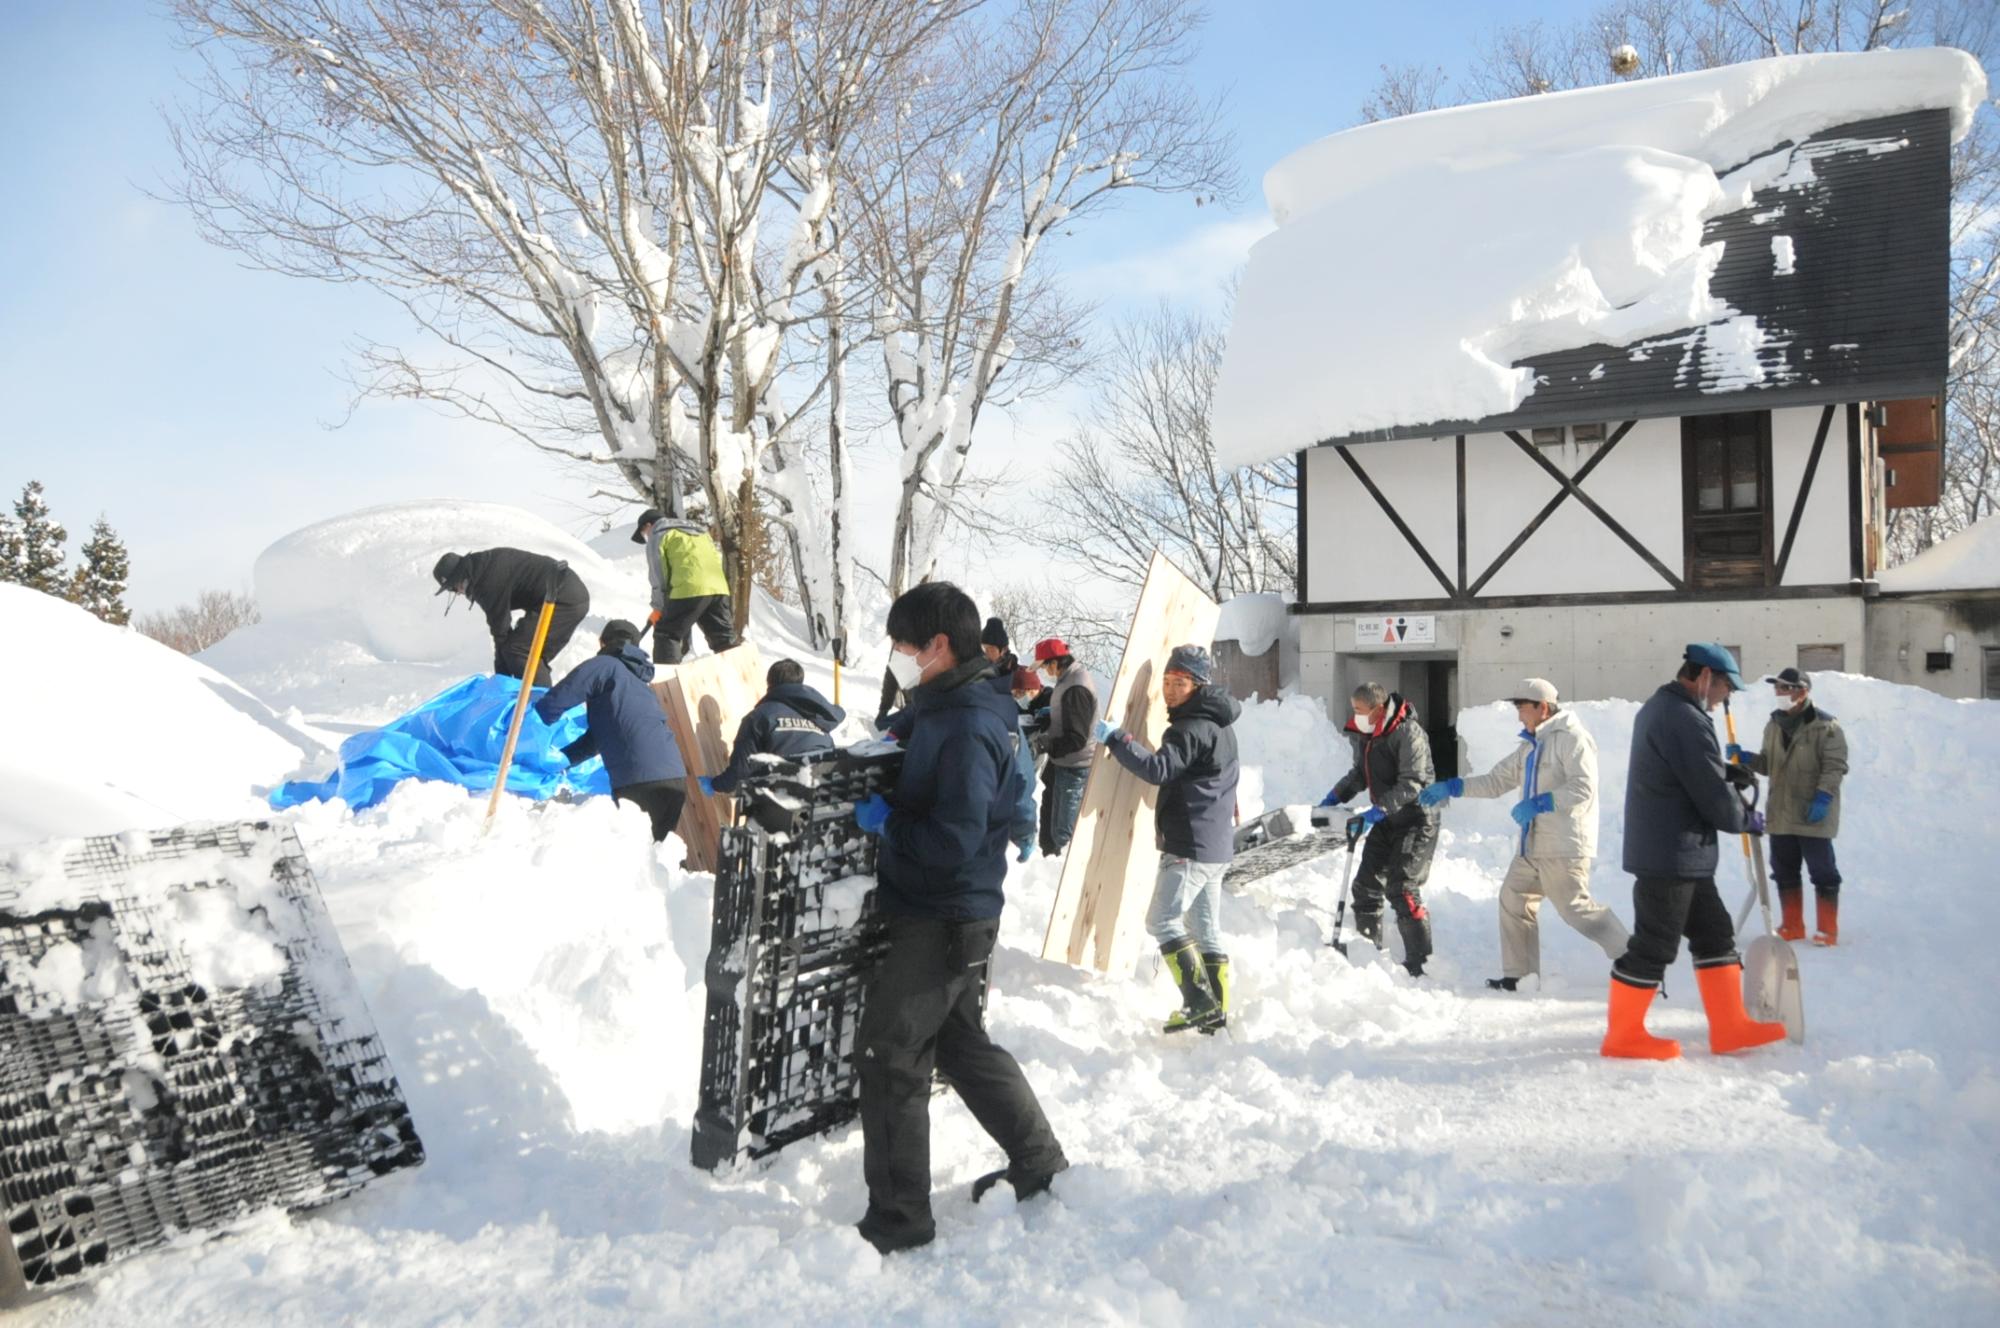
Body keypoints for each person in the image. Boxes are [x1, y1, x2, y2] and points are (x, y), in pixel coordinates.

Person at [847, 582, 1068, 1254]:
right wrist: (899, 732)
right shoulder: (960, 700)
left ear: (938, 646)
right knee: (961, 1043)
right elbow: (933, 725)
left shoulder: (970, 722)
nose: (898, 658)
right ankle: (1038, 1161)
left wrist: (891, 824)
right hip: (958, 910)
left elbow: (954, 840)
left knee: (891, 1054)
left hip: (942, 913)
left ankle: (899, 1220)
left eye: (904, 647)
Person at [1602, 643, 1786, 1060]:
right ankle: (1623, 1035)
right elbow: (1708, 792)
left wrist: (1726, 772)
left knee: (1715, 933)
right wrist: (1744, 817)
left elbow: (1691, 772)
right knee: (1654, 945)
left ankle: (1730, 1027)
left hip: (1682, 851)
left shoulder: (1666, 709)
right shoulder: (1682, 718)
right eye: (1725, 687)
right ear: (1704, 676)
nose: (1726, 697)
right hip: (1672, 854)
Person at [1419, 679, 1629, 990]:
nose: (1518, 715)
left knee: (1575, 908)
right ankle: (1521, 977)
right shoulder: (1530, 746)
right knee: (1513, 899)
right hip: (1532, 843)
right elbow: (1495, 781)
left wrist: (1543, 802)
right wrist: (1454, 786)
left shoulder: (1572, 738)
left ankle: (1635, 956)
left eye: (1522, 708)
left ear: (1543, 707)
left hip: (1563, 843)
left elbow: (1583, 786)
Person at [1096, 645, 1242, 1033]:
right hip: (1215, 845)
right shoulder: (1221, 726)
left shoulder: (1189, 728)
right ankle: (1217, 1014)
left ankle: (1199, 1003)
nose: (1170, 690)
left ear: (1198, 685)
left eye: (1180, 683)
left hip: (1190, 845)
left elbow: (1159, 769)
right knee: (1205, 930)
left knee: (1161, 920)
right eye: (1166, 682)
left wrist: (1117, 739)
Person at [1319, 682, 1439, 977]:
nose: (1355, 715)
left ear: (1378, 709)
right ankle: (1367, 949)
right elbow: (1361, 774)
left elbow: (1412, 783)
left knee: (1402, 888)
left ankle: (1421, 964)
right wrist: (1334, 798)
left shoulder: (1408, 733)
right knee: (1366, 886)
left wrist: (1376, 812)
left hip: (1416, 818)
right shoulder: (1370, 734)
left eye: (1359, 710)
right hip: (1387, 818)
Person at [533, 619, 687, 841]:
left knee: (628, 853)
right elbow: (597, 739)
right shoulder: (638, 685)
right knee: (654, 860)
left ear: (602, 642)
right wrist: (564, 759)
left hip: (638, 781)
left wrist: (537, 717)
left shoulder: (605, 666)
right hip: (674, 781)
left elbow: (564, 694)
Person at [1733, 667, 1848, 946]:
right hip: (1782, 813)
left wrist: (1823, 797)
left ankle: (1827, 929)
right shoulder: (1773, 725)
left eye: (1786, 688)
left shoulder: (1826, 727)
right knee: (1783, 869)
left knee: (1822, 871)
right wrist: (1746, 758)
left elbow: (1834, 767)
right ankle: (1792, 925)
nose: (1780, 693)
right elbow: (1768, 764)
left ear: (1803, 692)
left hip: (1813, 812)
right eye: (1778, 688)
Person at [433, 548, 590, 688]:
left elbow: (500, 629)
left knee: (519, 650)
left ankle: (538, 707)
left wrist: (502, 680)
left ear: (459, 577)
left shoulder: (484, 580)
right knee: (527, 656)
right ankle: (533, 701)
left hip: (563, 599)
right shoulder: (481, 566)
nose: (457, 593)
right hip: (562, 595)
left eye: (453, 588)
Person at [700, 659, 844, 796]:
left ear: (769, 684)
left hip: (784, 801)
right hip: (825, 796)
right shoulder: (820, 718)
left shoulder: (760, 717)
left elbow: (741, 772)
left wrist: (714, 785)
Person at [631, 506, 734, 665]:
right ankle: (742, 677)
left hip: (690, 588)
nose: (646, 536)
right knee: (723, 639)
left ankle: (666, 684)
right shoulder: (699, 532)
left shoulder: (658, 534)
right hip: (718, 588)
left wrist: (658, 607)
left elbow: (659, 576)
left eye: (644, 533)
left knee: (666, 634)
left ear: (648, 525)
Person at [1032, 637, 1099, 857]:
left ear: (1055, 662)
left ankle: (1056, 868)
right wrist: (1049, 718)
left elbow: (1077, 737)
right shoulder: (1067, 678)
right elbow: (1067, 716)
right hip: (1061, 762)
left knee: (1062, 831)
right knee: (1049, 813)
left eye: (1044, 666)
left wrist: (1049, 743)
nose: (1044, 672)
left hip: (1074, 766)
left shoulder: (1076, 687)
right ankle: (1046, 857)